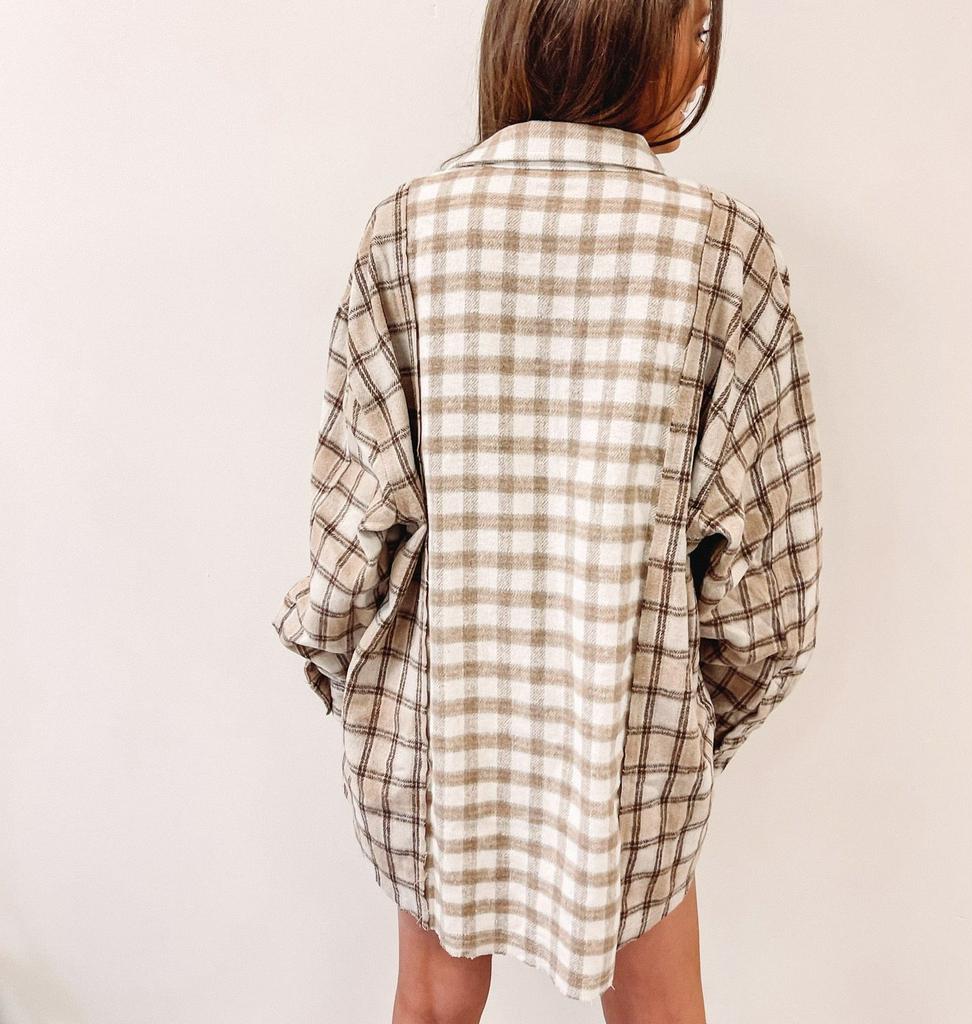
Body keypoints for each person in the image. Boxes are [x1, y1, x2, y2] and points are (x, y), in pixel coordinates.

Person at [271, 1, 824, 1021]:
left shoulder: (409, 231)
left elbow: (355, 533)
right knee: (661, 1009)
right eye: (695, 28)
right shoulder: (720, 251)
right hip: (632, 739)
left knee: (431, 1003)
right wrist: (683, 715)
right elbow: (769, 597)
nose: (700, 59)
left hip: (433, 737)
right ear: (637, 32)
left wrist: (340, 667)